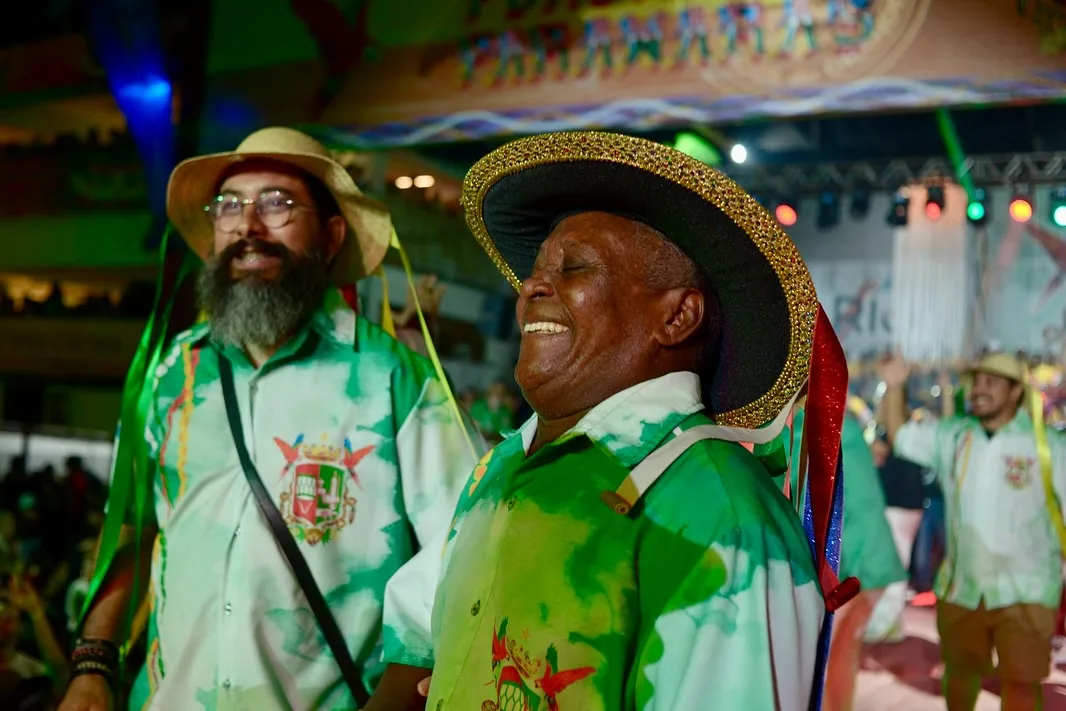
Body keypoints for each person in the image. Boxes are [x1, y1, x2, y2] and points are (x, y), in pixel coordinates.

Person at [368, 130, 849, 709]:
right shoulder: (502, 466)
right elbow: (416, 649)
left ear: (676, 317)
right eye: (538, 268)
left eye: (575, 267)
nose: (532, 287)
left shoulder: (719, 515)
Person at [59, 127, 478, 711]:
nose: (248, 226)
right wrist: (93, 664)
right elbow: (134, 533)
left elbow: (464, 556)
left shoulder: (395, 380)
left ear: (332, 236)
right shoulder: (171, 376)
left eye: (277, 203)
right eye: (229, 206)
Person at [880, 351, 1066, 711]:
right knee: (960, 676)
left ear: (1015, 392)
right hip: (962, 587)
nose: (980, 389)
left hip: (1027, 591)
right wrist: (896, 383)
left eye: (992, 382)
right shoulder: (954, 435)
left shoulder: (1048, 447)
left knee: (1022, 686)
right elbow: (901, 435)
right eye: (977, 381)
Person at [782, 402, 906, 711]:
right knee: (838, 659)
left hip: (851, 565)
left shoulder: (801, 432)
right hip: (866, 560)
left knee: (827, 663)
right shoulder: (839, 423)